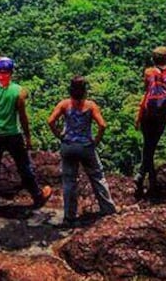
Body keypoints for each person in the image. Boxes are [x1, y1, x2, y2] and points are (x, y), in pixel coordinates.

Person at [0, 56, 52, 211]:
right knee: (23, 166)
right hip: (13, 134)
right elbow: (23, 117)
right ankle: (37, 196)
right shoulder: (19, 92)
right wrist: (28, 137)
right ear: (11, 72)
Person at [47, 76, 116, 227]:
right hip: (85, 146)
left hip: (69, 146)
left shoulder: (65, 104)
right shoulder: (90, 106)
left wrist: (60, 136)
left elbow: (50, 121)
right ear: (85, 91)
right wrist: (95, 141)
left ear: (70, 90)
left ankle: (69, 217)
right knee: (97, 177)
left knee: (69, 181)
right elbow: (102, 125)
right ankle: (108, 210)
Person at [134, 46, 166, 197]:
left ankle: (142, 176)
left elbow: (146, 90)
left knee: (148, 145)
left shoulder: (148, 72)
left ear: (153, 59)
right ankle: (147, 178)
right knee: (151, 146)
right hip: (162, 115)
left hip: (147, 112)